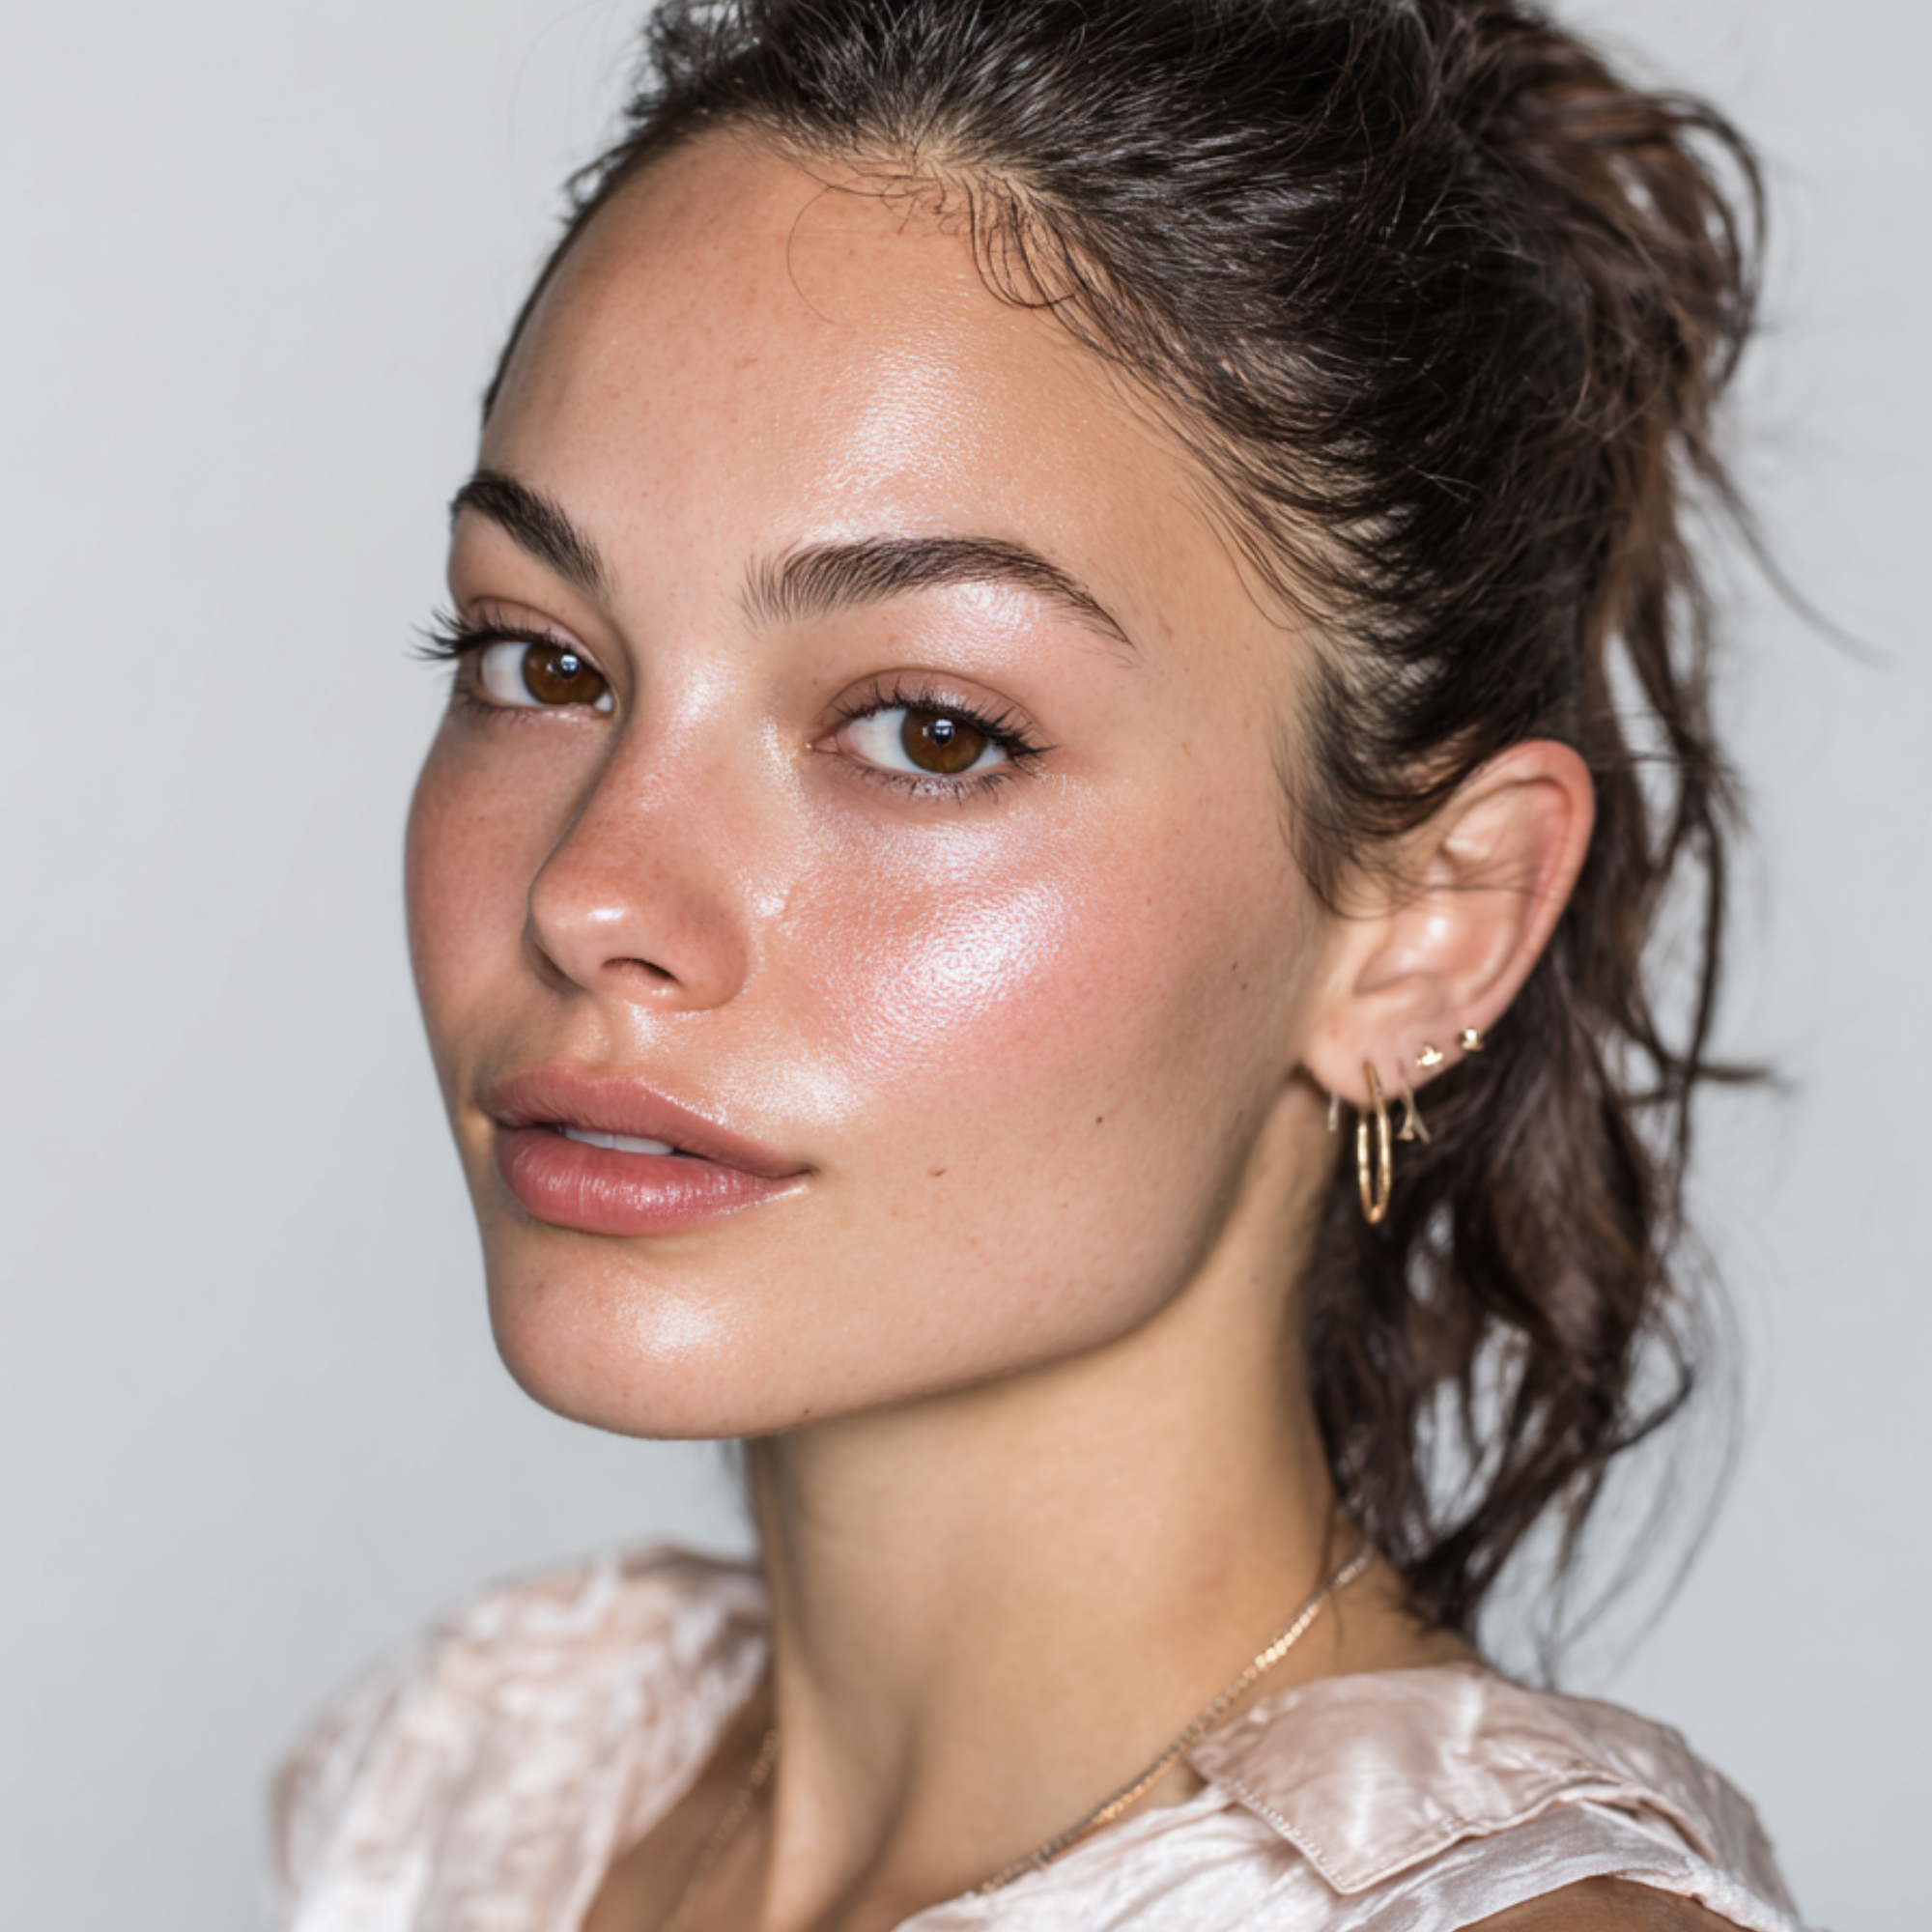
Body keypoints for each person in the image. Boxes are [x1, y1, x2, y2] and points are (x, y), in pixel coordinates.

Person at [272, 1, 1808, 1926]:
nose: (591, 893)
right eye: (544, 662)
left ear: (1431, 925)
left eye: (926, 729)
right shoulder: (482, 1783)